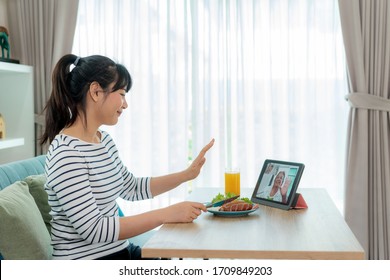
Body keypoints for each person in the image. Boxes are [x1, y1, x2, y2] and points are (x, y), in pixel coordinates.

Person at [40, 54, 214, 260]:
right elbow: (94, 229)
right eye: (122, 94)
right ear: (95, 91)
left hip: (119, 252)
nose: (125, 104)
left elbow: (131, 188)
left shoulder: (102, 140)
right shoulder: (66, 154)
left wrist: (187, 175)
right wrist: (168, 213)